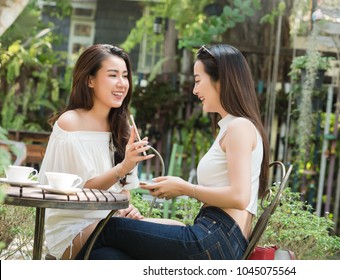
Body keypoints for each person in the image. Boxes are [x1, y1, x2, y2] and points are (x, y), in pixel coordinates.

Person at [75, 44, 270, 260]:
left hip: (215, 238)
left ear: (221, 80)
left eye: (198, 80)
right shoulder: (231, 126)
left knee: (108, 229)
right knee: (108, 256)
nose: (195, 90)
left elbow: (239, 197)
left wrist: (184, 188)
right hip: (214, 235)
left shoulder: (239, 127)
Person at [38, 44, 155, 260]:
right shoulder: (70, 123)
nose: (122, 83)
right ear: (90, 80)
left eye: (125, 76)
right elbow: (78, 190)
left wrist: (127, 209)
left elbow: (124, 191)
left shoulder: (123, 130)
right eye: (112, 75)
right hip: (73, 232)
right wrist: (123, 167)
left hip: (113, 226)